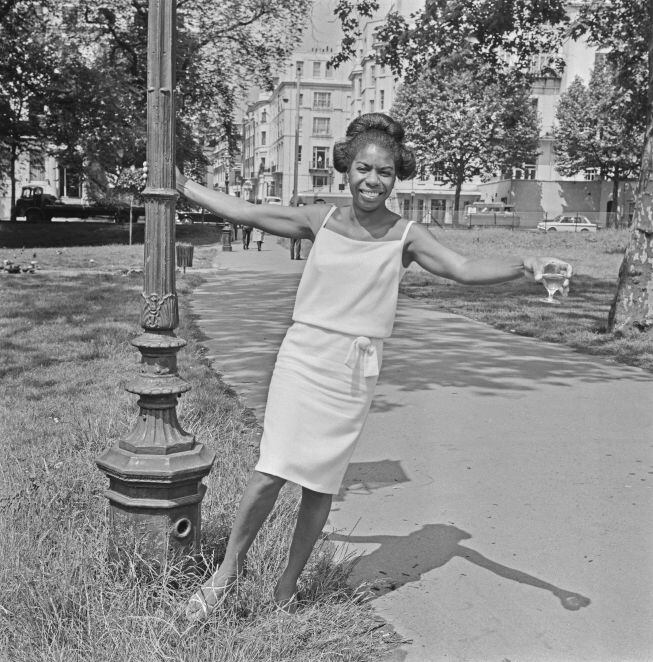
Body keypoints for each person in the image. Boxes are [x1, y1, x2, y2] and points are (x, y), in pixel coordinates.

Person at [170, 113, 572, 622]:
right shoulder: (320, 220)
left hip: (353, 370)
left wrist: (525, 265)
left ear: (395, 175)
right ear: (347, 168)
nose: (372, 180)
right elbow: (247, 212)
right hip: (304, 357)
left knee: (320, 482)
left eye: (383, 172)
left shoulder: (406, 235)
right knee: (271, 470)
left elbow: (464, 269)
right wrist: (180, 184)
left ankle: (287, 587)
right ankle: (224, 578)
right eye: (363, 168)